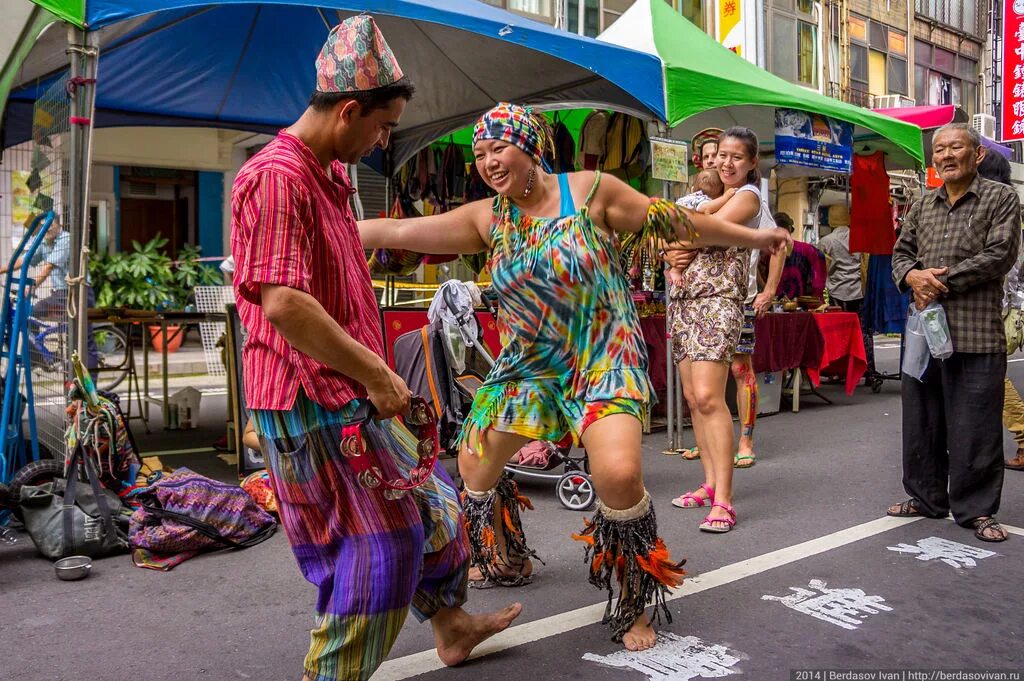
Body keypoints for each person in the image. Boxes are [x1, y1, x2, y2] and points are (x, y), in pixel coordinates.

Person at [359, 103, 791, 650]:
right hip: (531, 366)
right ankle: (504, 554)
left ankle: (634, 600)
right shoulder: (489, 219)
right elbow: (401, 228)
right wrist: (333, 231)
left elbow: (674, 220)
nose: (488, 162)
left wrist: (757, 239)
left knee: (616, 474)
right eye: (480, 154)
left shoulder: (591, 191)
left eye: (499, 149)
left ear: (531, 147)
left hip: (602, 354)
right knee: (472, 460)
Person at [230, 18, 520, 681]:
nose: (384, 140)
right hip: (311, 399)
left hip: (353, 391)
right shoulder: (276, 176)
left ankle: (451, 628)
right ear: (350, 110)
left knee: (438, 512)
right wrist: (380, 374)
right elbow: (284, 304)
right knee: (381, 551)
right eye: (384, 127)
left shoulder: (331, 174)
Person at [887, 123, 1021, 543]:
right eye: (939, 149)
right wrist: (911, 275)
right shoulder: (922, 205)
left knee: (976, 425)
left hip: (976, 330)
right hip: (926, 332)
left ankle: (977, 510)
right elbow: (901, 252)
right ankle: (926, 497)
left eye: (955, 147)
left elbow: (999, 254)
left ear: (976, 154)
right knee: (921, 420)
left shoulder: (1001, 198)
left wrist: (937, 281)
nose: (945, 155)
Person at [973, 151, 1024, 472]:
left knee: (993, 379)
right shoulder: (1012, 211)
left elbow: (1000, 269)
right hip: (1011, 309)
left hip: (998, 310)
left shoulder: (995, 210)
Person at [0, 213, 98, 370]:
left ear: (59, 225)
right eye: (44, 227)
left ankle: (89, 386)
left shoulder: (66, 239)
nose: (46, 230)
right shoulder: (44, 242)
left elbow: (48, 267)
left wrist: (31, 287)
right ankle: (38, 359)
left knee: (84, 340)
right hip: (59, 295)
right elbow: (25, 260)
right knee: (29, 314)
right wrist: (3, 269)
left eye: (50, 225)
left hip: (79, 294)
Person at [667, 170, 735, 288]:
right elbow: (706, 208)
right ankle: (675, 270)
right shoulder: (702, 199)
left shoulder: (687, 197)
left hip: (673, 227)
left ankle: (671, 269)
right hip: (685, 230)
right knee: (687, 252)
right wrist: (726, 197)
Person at [764, 212, 826, 301]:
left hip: (773, 303)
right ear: (790, 229)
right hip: (801, 304)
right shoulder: (808, 250)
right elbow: (818, 283)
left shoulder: (767, 251)